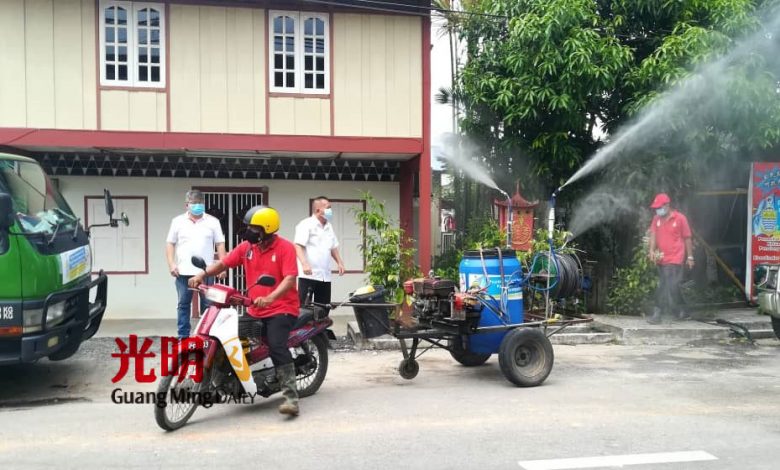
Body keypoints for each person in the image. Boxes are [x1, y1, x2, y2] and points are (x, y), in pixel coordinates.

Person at [189, 205, 301, 417]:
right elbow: (223, 263)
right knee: (226, 340)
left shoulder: (285, 248)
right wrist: (202, 275)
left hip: (281, 308)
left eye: (254, 228)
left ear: (267, 229)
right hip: (254, 308)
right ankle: (219, 384)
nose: (249, 231)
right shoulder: (248, 247)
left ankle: (291, 397)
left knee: (276, 345)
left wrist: (270, 298)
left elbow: (290, 279)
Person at [165, 190, 226, 338]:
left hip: (207, 272)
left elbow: (220, 244)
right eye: (194, 203)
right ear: (187, 205)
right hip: (183, 272)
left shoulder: (213, 222)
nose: (198, 206)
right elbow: (170, 243)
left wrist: (222, 266)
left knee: (208, 306)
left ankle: (206, 337)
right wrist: (171, 264)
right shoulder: (177, 221)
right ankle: (183, 337)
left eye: (200, 203)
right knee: (183, 305)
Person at [646, 193, 694, 324]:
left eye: (659, 207)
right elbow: (653, 235)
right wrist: (651, 251)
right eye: (656, 207)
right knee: (672, 286)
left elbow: (687, 237)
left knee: (663, 284)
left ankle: (657, 313)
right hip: (661, 258)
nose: (657, 210)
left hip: (675, 258)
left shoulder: (680, 218)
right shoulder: (656, 219)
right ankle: (682, 310)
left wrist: (690, 257)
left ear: (667, 205)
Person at [294, 196, 345, 305]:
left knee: (323, 308)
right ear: (318, 210)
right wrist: (304, 264)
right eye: (328, 208)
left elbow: (333, 246)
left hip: (325, 276)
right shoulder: (306, 224)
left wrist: (340, 262)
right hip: (309, 275)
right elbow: (298, 245)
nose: (330, 211)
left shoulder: (329, 227)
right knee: (304, 308)